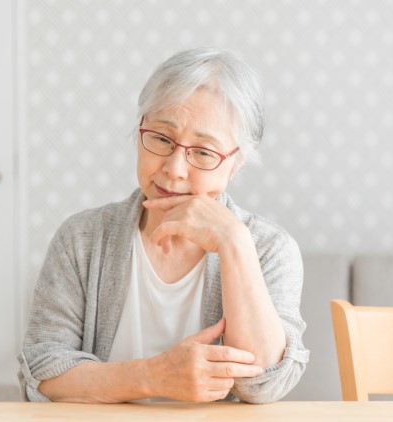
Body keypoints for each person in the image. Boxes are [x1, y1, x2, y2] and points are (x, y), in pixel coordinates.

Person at [18, 47, 308, 404]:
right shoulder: (81, 239)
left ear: (236, 164)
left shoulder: (269, 248)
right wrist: (152, 378)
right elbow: (43, 371)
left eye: (203, 152)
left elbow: (264, 385)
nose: (174, 168)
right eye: (160, 138)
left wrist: (235, 244)